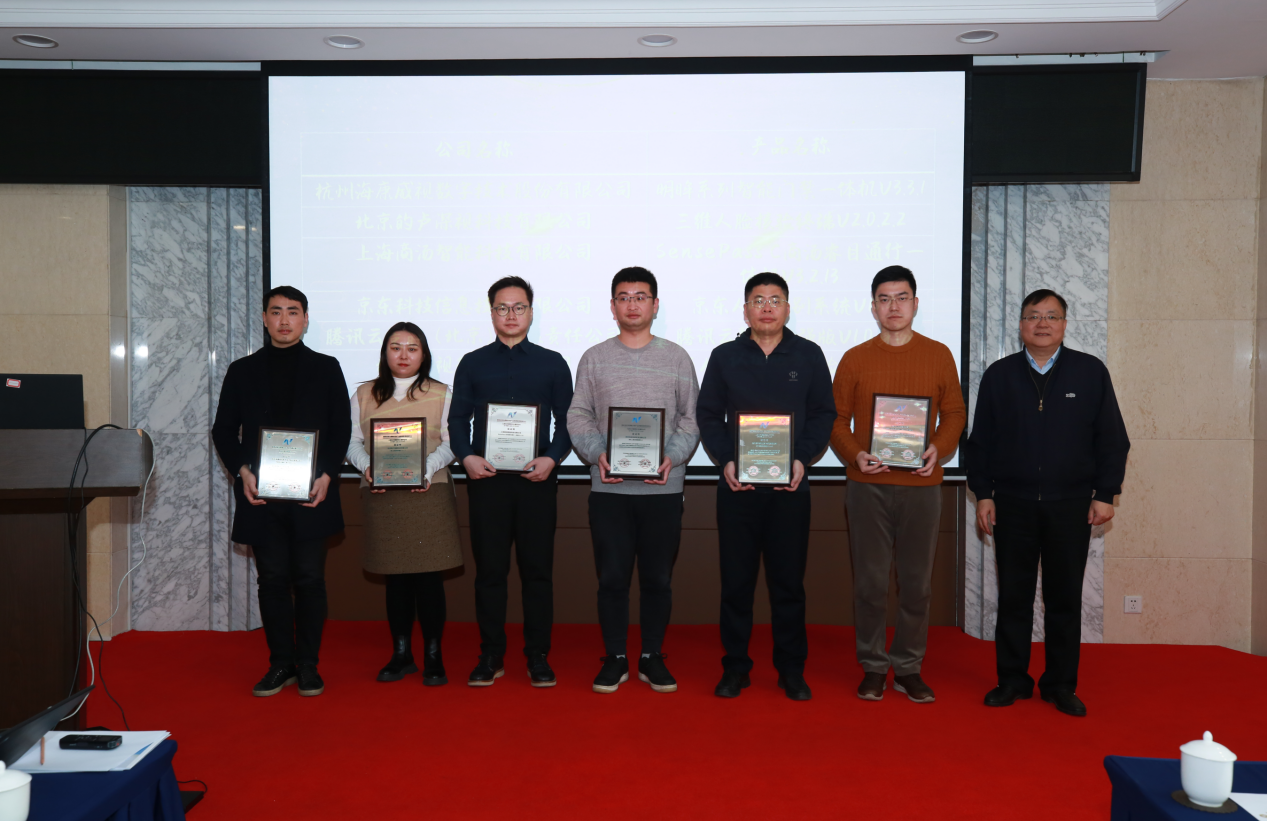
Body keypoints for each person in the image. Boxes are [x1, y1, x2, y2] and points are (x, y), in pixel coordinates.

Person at [967, 288, 1130, 718]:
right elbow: (980, 443)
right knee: (1014, 598)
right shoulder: (1000, 375)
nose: (1042, 324)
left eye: (1051, 316)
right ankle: (1012, 680)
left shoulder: (1090, 372)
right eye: (1033, 316)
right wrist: (984, 493)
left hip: (1070, 505)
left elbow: (1112, 439)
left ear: (1064, 324)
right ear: (1021, 324)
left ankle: (1060, 684)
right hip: (1012, 504)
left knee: (1064, 600)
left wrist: (1105, 493)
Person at [830, 266, 966, 704]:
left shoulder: (939, 354)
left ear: (916, 304)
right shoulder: (854, 358)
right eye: (884, 299)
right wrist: (856, 454)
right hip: (866, 486)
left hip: (922, 488)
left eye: (902, 297)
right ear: (873, 307)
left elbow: (955, 414)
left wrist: (938, 448)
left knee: (917, 584)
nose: (894, 306)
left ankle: (908, 666)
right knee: (870, 584)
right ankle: (872, 665)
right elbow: (835, 420)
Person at [697, 272, 835, 701]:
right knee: (736, 584)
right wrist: (727, 459)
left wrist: (801, 458)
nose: (767, 307)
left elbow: (823, 414)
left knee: (788, 585)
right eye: (758, 300)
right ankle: (735, 668)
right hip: (737, 489)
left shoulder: (809, 354)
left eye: (775, 300)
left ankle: (791, 670)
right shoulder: (724, 356)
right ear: (746, 311)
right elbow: (707, 415)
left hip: (790, 489)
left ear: (787, 308)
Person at [211, 285, 352, 698]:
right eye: (276, 312)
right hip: (261, 494)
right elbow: (223, 430)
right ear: (264, 318)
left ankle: (308, 665)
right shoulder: (242, 370)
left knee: (309, 579)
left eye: (293, 312)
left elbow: (341, 428)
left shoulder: (327, 367)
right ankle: (280, 664)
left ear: (305, 319)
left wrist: (327, 474)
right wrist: (242, 471)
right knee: (271, 580)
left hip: (312, 493)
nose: (284, 320)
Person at [567, 267, 700, 694]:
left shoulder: (676, 358)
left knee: (658, 579)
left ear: (655, 305)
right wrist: (598, 454)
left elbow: (691, 419)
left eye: (641, 296)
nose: (632, 304)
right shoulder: (594, 357)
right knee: (612, 579)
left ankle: (651, 656)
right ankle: (615, 657)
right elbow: (578, 415)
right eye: (623, 297)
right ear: (612, 307)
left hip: (664, 488)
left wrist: (671, 457)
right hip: (609, 488)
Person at [448, 276, 574, 688]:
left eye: (519, 307)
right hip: (487, 482)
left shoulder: (553, 362)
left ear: (531, 312)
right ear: (492, 313)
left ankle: (538, 655)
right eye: (502, 308)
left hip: (537, 482)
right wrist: (466, 456)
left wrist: (552, 458)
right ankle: (491, 655)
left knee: (537, 573)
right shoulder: (472, 363)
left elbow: (568, 421)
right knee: (490, 573)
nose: (511, 314)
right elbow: (457, 419)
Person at [345, 322, 462, 686]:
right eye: (396, 347)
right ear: (385, 353)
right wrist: (369, 467)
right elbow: (351, 442)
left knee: (429, 578)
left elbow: (453, 443)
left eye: (412, 348)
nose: (404, 355)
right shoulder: (364, 393)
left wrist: (426, 468)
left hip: (428, 492)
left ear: (424, 354)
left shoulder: (442, 393)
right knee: (395, 578)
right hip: (383, 497)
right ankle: (401, 655)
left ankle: (433, 655)